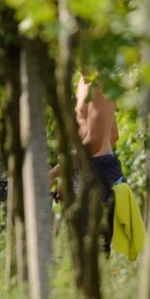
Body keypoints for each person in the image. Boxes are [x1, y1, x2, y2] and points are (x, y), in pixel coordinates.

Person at [49, 76, 127, 254]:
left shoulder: (96, 82)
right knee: (86, 252)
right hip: (97, 169)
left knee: (89, 254)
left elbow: (93, 142)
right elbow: (113, 135)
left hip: (98, 175)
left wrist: (54, 173)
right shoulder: (86, 80)